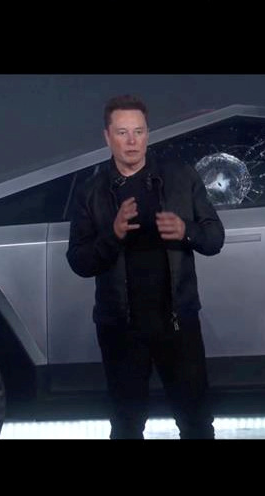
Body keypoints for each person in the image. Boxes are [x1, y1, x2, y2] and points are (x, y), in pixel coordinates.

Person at [66, 94, 225, 439]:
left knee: (197, 423)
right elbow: (78, 261)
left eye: (138, 131)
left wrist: (186, 232)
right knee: (126, 425)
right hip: (120, 329)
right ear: (107, 137)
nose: (132, 141)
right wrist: (114, 234)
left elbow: (214, 239)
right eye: (122, 133)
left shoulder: (180, 177)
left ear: (148, 133)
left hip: (177, 323)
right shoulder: (91, 192)